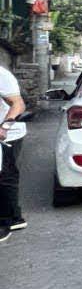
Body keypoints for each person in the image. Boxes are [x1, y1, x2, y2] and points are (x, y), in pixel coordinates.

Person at [0, 63, 27, 243]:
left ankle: (5, 222)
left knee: (4, 177)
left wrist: (4, 127)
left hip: (8, 134)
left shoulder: (1, 75)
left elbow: (18, 104)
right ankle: (15, 217)